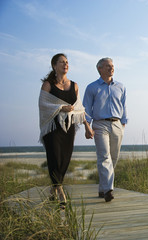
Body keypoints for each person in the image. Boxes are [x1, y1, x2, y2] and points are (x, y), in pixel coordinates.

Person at [38, 53, 92, 209]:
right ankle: (60, 191)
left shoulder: (74, 85)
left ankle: (52, 190)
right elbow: (42, 105)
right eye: (62, 62)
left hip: (68, 127)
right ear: (54, 65)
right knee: (54, 157)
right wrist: (61, 107)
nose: (65, 64)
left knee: (65, 160)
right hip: (53, 127)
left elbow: (80, 109)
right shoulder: (48, 84)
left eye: (67, 62)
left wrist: (87, 127)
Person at [83, 57, 128, 202]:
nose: (111, 68)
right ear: (99, 69)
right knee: (104, 156)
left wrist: (123, 124)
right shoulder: (92, 87)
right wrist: (87, 126)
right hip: (100, 124)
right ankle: (109, 189)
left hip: (117, 124)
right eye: (107, 66)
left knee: (113, 157)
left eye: (112, 66)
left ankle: (103, 188)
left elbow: (124, 106)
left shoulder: (120, 86)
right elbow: (86, 109)